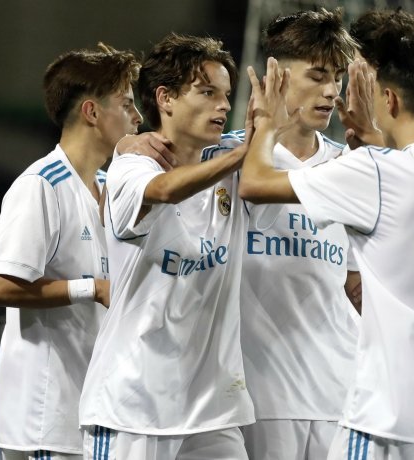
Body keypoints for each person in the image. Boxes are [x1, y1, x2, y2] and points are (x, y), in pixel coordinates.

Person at [240, 29, 414, 460]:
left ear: (390, 100)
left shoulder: (376, 172)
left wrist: (265, 125)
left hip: (387, 413)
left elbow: (254, 183)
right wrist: (372, 138)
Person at [78, 33, 256, 459]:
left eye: (227, 95)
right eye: (207, 92)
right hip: (133, 406)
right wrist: (240, 155)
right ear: (165, 98)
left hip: (212, 412)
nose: (223, 106)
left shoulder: (231, 157)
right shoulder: (132, 167)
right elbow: (163, 190)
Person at [0, 43, 142, 460]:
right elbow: (1, 287)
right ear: (92, 112)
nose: (138, 117)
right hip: (46, 421)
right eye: (127, 104)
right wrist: (89, 288)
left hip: (93, 415)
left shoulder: (110, 189)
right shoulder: (41, 185)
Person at [237, 9, 361, 460]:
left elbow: (353, 283)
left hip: (339, 392)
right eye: (317, 76)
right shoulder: (225, 160)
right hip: (256, 396)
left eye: (338, 77)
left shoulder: (352, 167)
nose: (332, 91)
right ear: (276, 76)